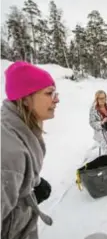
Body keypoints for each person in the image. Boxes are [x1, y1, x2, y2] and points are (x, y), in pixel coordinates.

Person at [1, 61, 59, 239]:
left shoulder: (20, 131)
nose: (56, 99)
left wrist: (26, 191)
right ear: (25, 99)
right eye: (49, 93)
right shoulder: (9, 152)